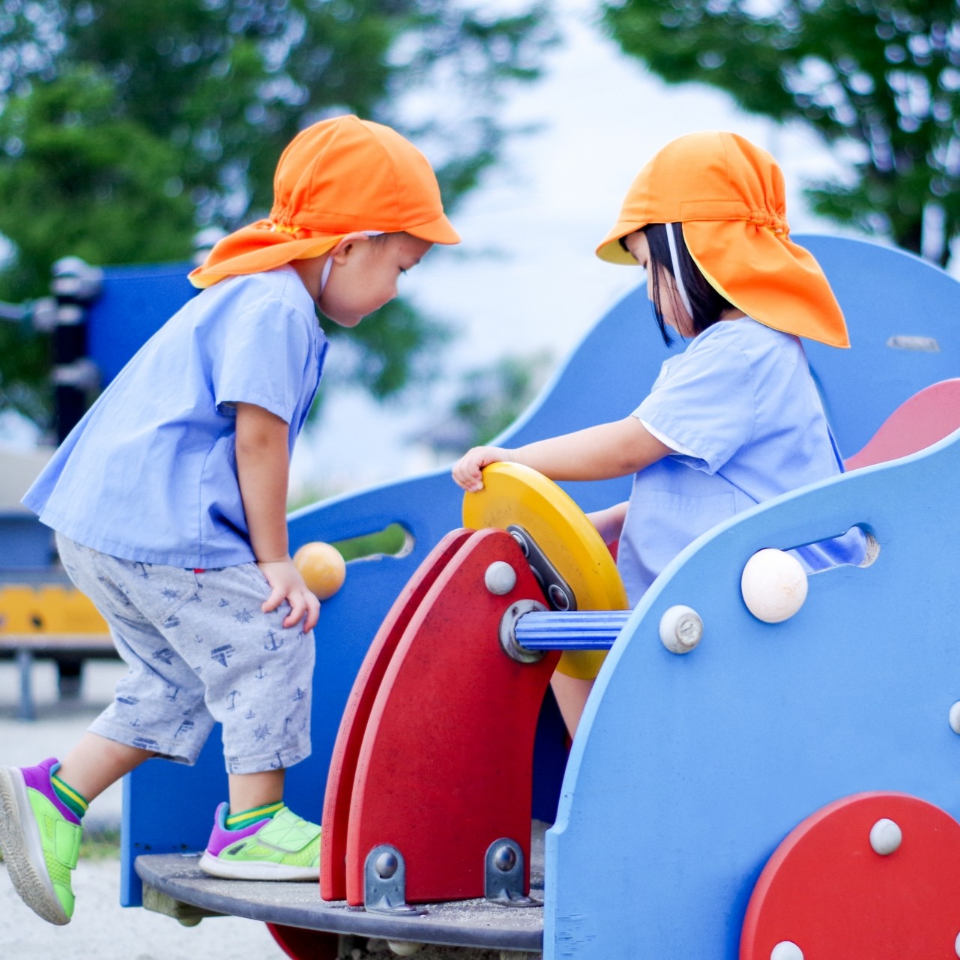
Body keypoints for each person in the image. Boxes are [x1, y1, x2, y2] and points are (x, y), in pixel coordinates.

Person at [0, 115, 459, 926]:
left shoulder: (255, 289)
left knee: (177, 681)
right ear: (350, 244)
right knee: (273, 630)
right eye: (402, 265)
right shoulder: (276, 303)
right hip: (159, 525)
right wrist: (274, 561)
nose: (396, 289)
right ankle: (250, 829)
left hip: (103, 526)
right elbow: (258, 432)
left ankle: (54, 797)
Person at [453, 131, 865, 735]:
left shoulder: (743, 352)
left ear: (697, 250)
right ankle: (597, 782)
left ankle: (597, 789)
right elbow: (695, 485)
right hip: (714, 596)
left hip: (743, 609)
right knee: (564, 635)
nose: (650, 289)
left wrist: (515, 459)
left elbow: (628, 447)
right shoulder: (740, 349)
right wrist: (608, 525)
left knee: (566, 638)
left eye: (652, 267)